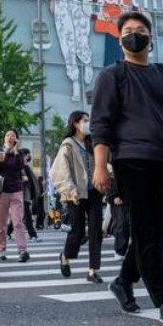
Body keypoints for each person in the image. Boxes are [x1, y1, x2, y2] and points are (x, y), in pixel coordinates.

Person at [90, 11, 163, 326]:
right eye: (127, 30)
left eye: (140, 30)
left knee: (159, 228)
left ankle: (123, 282)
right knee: (146, 230)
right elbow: (101, 124)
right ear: (119, 38)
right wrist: (100, 166)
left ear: (150, 39)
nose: (133, 34)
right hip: (131, 160)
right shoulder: (113, 75)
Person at [50, 111, 104, 283]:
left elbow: (102, 164)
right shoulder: (68, 145)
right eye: (85, 121)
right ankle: (65, 256)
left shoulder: (92, 143)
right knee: (77, 231)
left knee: (96, 230)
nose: (88, 124)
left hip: (94, 192)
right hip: (76, 194)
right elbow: (59, 170)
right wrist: (69, 189)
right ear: (75, 123)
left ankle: (93, 270)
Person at [0, 129, 30, 263]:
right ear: (4, 138)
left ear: (16, 139)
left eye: (13, 136)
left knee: (18, 222)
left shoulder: (18, 153)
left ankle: (22, 250)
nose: (10, 137)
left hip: (16, 190)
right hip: (1, 191)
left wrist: (16, 150)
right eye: (7, 135)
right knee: (1, 224)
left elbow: (20, 167)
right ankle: (1, 250)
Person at [20, 148, 40, 243]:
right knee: (27, 214)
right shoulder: (20, 167)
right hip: (22, 194)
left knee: (20, 216)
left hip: (26, 194)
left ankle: (8, 232)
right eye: (27, 154)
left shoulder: (26, 166)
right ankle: (32, 235)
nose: (28, 156)